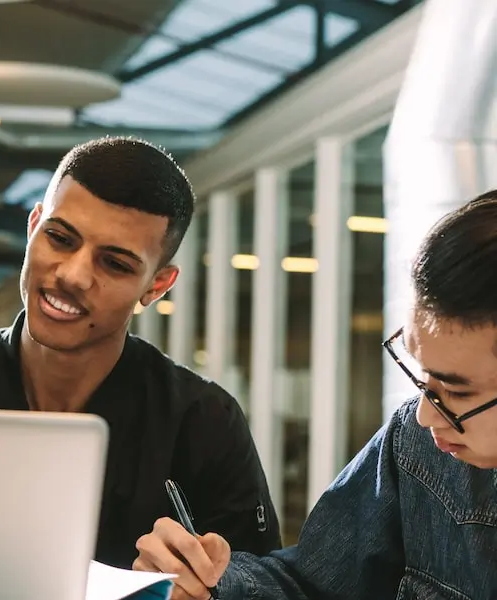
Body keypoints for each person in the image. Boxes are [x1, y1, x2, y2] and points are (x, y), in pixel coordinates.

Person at [0, 137, 282, 568]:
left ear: (155, 286)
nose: (74, 276)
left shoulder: (203, 426)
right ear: (33, 227)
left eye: (115, 264)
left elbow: (266, 589)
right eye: (60, 238)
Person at [133, 191, 497, 600]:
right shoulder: (418, 450)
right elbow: (310, 586)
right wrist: (209, 582)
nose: (425, 417)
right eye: (421, 374)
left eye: (455, 391)